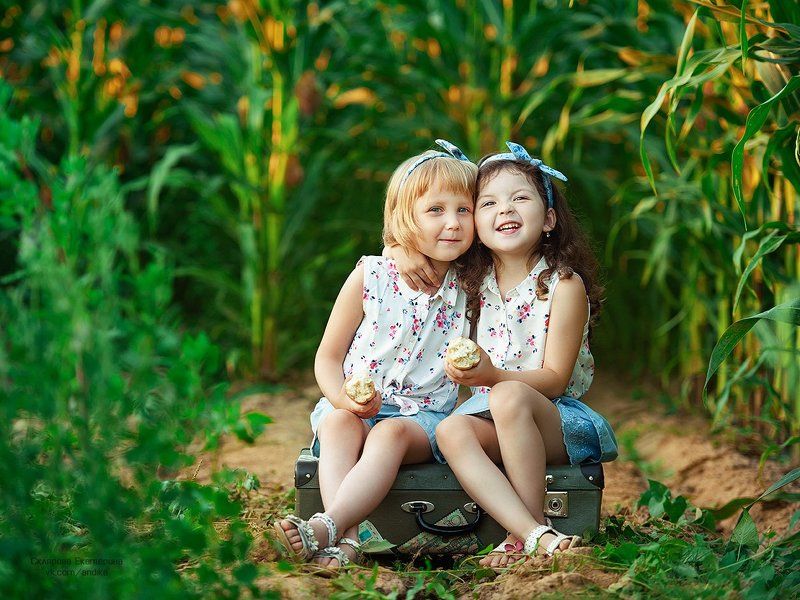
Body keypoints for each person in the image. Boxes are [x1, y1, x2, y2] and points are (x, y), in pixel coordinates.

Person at [389, 142, 617, 568]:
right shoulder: (472, 281)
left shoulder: (563, 286)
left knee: (507, 395)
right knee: (452, 431)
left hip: (552, 421)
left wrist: (492, 375)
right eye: (488, 203)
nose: (505, 209)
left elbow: (555, 379)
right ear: (475, 223)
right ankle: (533, 533)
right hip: (494, 416)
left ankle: (523, 530)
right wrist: (397, 249)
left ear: (549, 219)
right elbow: (412, 252)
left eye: (520, 198)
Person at [273, 140, 478, 570]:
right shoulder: (372, 276)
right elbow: (328, 357)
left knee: (389, 434)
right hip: (357, 405)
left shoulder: (473, 285)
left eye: (464, 209)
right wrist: (343, 399)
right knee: (338, 423)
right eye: (435, 210)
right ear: (406, 217)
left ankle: (326, 526)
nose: (453, 223)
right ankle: (347, 543)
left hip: (421, 420)